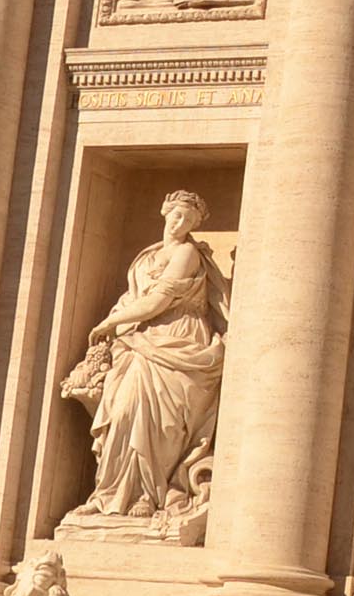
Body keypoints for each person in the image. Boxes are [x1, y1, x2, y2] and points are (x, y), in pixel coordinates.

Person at [60, 191, 228, 525]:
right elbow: (135, 297)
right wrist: (119, 318)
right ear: (165, 212)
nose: (180, 223)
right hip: (141, 339)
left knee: (162, 422)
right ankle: (108, 494)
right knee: (123, 411)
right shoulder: (147, 256)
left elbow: (157, 302)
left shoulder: (187, 253)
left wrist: (110, 322)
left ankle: (146, 495)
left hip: (178, 338)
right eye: (177, 215)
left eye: (189, 220)